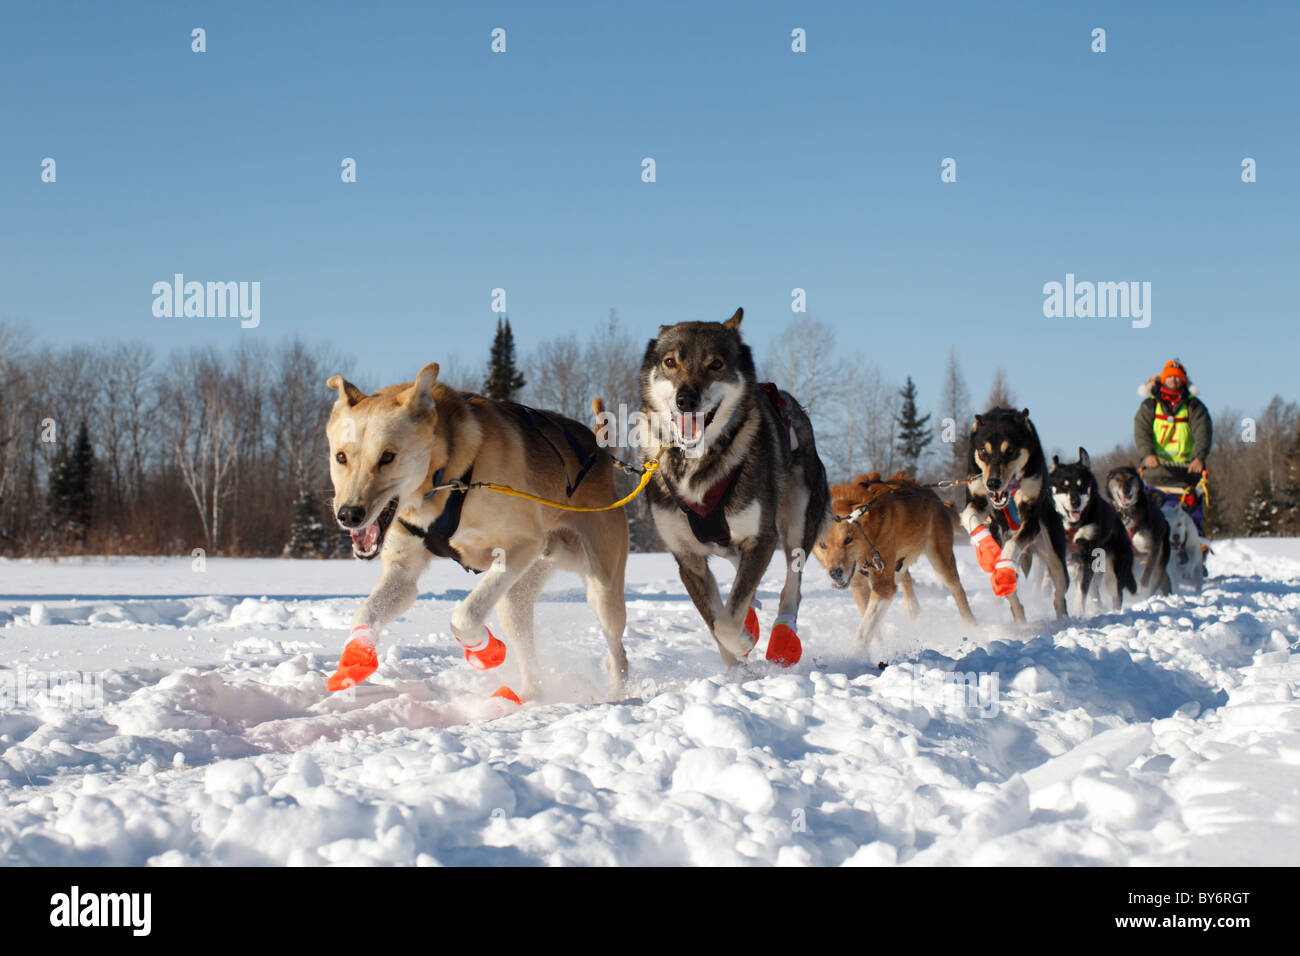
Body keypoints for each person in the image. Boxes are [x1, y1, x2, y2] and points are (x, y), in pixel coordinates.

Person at [1134, 359, 1211, 535]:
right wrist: (1147, 455)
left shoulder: (1194, 407)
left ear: (1184, 381)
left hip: (1186, 477)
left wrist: (1199, 458)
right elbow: (1142, 432)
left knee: (1193, 520)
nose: (1174, 381)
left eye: (1178, 378)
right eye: (1170, 377)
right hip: (1155, 476)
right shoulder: (1150, 406)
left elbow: (1203, 433)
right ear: (1163, 379)